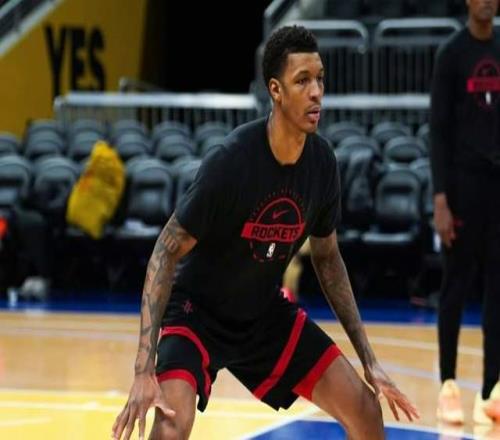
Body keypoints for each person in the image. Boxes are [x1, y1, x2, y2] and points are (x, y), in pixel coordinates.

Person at [112, 25, 419, 440]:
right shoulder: (231, 162)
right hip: (197, 315)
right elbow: (165, 252)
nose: (316, 92)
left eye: (320, 79)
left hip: (262, 314)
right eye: (302, 81)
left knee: (365, 410)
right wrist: (142, 369)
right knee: (169, 428)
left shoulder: (322, 164)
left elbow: (328, 259)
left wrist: (370, 360)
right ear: (276, 90)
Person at [430, 0, 500, 426]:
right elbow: (438, 131)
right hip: (461, 188)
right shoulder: (451, 54)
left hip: (497, 189)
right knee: (454, 286)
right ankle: (448, 386)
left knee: (498, 289)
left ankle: (492, 389)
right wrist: (440, 198)